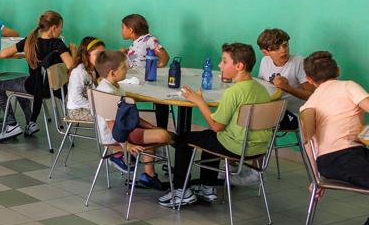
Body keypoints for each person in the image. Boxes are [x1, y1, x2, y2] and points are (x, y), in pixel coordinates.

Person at [161, 43, 275, 209]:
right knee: (209, 137)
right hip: (258, 148)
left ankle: (180, 192)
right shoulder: (261, 89)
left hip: (235, 146)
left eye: (224, 61)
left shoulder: (233, 92)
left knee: (184, 139)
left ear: (239, 66)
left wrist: (199, 101)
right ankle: (207, 187)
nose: (220, 65)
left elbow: (216, 126)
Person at [299, 51, 369, 225]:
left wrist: (315, 178)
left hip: (329, 162)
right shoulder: (348, 86)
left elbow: (309, 145)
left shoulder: (307, 105)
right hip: (346, 157)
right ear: (338, 71)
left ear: (309, 79)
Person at [92, 50, 171, 187]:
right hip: (117, 135)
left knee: (157, 131)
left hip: (123, 129)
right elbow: (112, 125)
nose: (127, 69)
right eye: (123, 67)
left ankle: (149, 176)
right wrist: (126, 145)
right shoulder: (108, 92)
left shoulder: (114, 86)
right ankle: (148, 175)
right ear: (112, 73)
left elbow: (129, 117)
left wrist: (151, 127)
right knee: (164, 135)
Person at [0, 11, 74, 143]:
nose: (61, 30)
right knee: (21, 85)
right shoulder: (58, 44)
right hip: (53, 89)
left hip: (34, 87)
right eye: (61, 27)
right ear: (54, 28)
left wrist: (22, 54)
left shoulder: (30, 42)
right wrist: (72, 52)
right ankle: (30, 123)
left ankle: (12, 124)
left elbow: (3, 54)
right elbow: (70, 65)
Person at [257, 28, 313, 132]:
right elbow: (262, 87)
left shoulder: (299, 62)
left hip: (295, 114)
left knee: (255, 122)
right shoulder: (265, 61)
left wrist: (287, 87)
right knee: (245, 115)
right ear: (265, 52)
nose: (283, 50)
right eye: (276, 48)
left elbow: (312, 96)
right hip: (273, 109)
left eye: (285, 45)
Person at [66, 37, 106, 122]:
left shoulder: (92, 69)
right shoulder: (79, 72)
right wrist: (95, 105)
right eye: (98, 54)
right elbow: (76, 98)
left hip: (88, 104)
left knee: (114, 109)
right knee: (109, 114)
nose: (102, 58)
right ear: (86, 55)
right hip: (76, 111)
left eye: (103, 54)